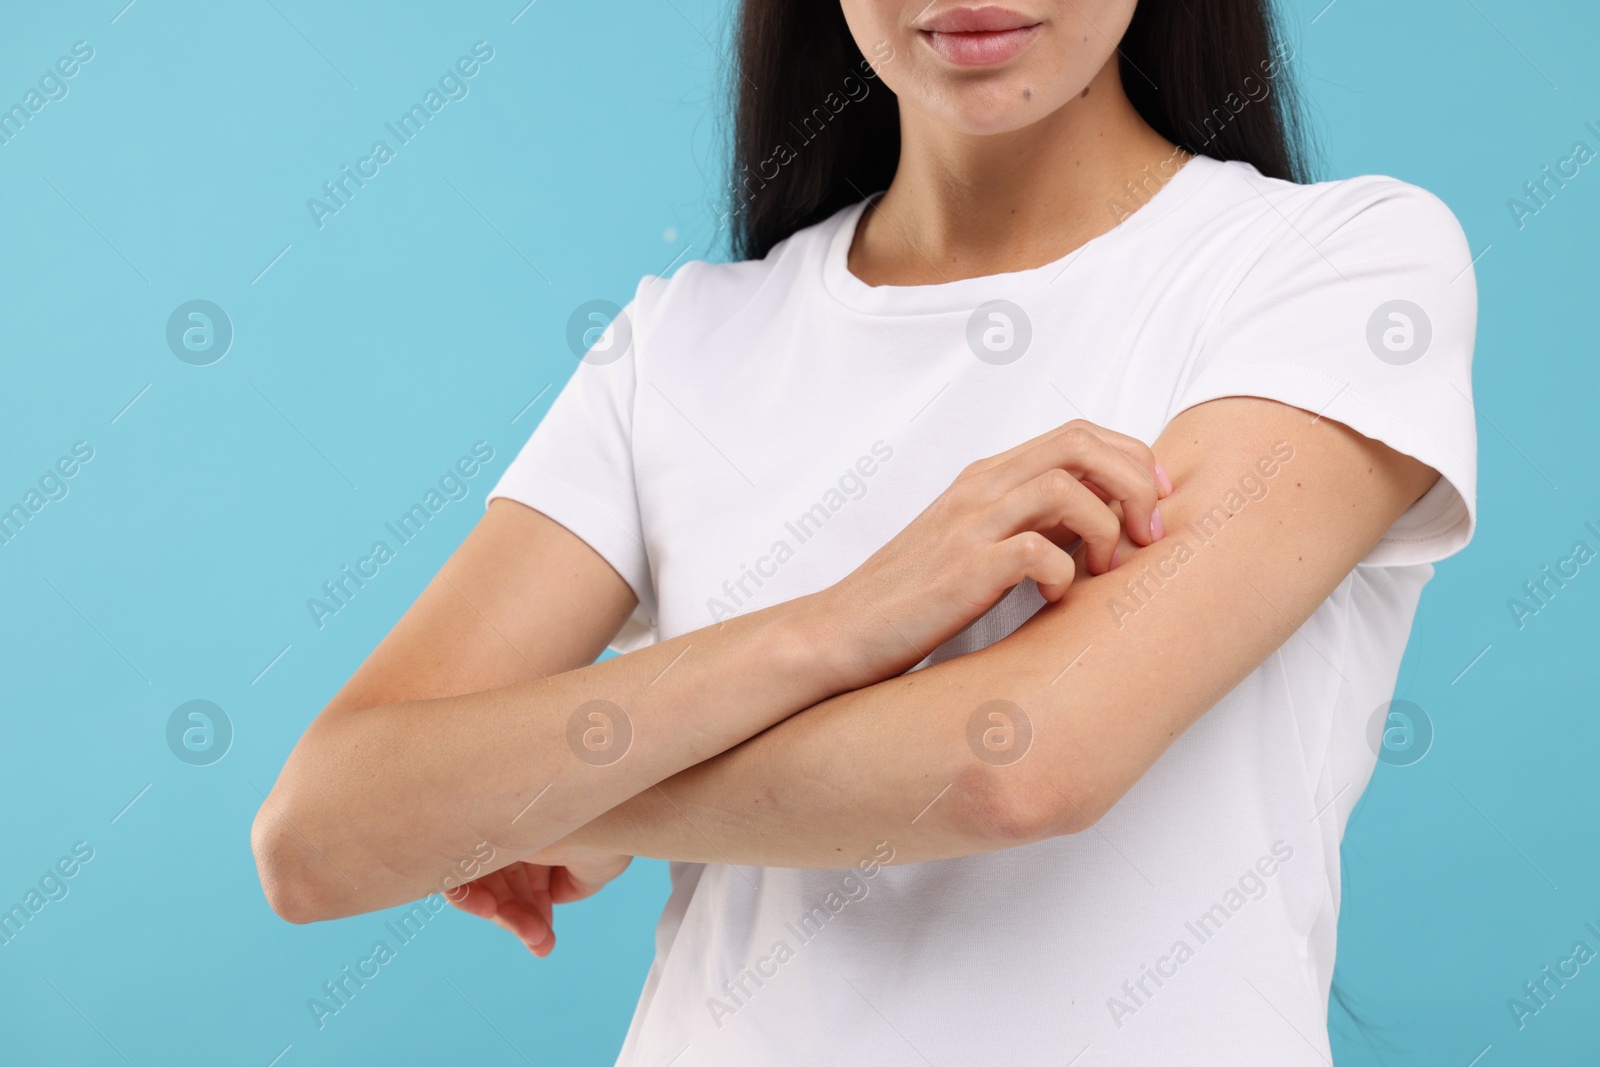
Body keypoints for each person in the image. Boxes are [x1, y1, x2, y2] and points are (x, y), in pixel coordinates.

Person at [252, 1, 1478, 1062]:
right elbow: (319, 834)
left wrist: (555, 795)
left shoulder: (1335, 266)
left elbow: (1018, 760)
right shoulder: (682, 340)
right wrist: (837, 623)